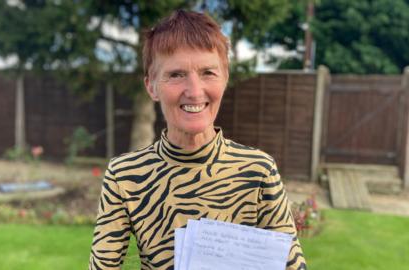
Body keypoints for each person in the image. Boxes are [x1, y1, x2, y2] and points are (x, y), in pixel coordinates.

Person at [89, 10, 306, 270]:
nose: (194, 91)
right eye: (176, 74)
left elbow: (292, 266)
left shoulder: (258, 170)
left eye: (208, 73)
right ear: (151, 86)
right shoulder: (125, 175)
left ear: (225, 78)